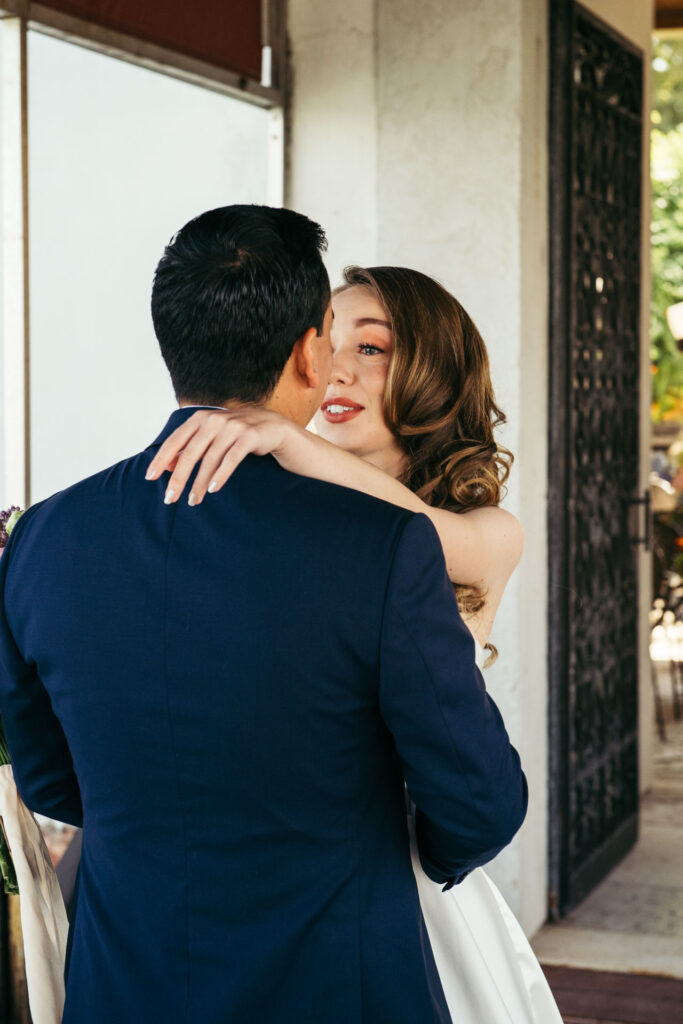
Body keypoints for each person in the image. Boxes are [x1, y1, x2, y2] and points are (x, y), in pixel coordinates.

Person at [0, 205, 527, 1024]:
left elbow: (51, 780)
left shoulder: (44, 537)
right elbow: (478, 808)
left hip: (126, 980)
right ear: (307, 352)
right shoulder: (380, 549)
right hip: (335, 979)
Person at [148, 263, 563, 1022]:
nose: (337, 368)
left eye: (371, 348)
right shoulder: (275, 506)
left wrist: (290, 441)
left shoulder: (488, 532)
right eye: (328, 341)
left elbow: (422, 537)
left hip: (399, 880)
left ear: (434, 369)